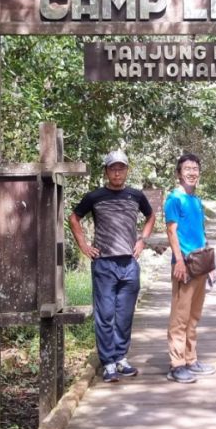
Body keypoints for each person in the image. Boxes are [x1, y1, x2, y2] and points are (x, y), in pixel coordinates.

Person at [70, 150, 155, 383]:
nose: (117, 172)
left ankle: (121, 358)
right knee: (105, 314)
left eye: (121, 168)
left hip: (129, 263)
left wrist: (142, 240)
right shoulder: (95, 196)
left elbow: (151, 217)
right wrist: (84, 245)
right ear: (106, 171)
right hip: (104, 264)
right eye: (113, 168)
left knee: (125, 315)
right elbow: (74, 218)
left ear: (127, 170)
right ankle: (108, 362)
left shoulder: (135, 196)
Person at [165, 153, 216, 384]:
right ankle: (176, 365)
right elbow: (171, 231)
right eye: (187, 168)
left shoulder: (196, 200)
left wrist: (210, 264)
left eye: (195, 168)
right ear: (179, 173)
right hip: (184, 265)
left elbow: (201, 233)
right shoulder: (174, 198)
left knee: (194, 316)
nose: (192, 172)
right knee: (180, 317)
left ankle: (191, 359)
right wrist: (178, 261)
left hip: (200, 265)